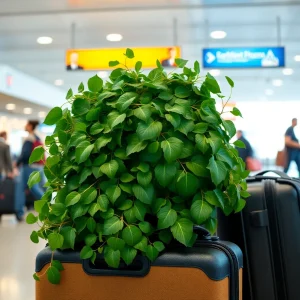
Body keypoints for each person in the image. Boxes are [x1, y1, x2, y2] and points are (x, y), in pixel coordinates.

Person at [15, 120, 45, 221]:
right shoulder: (37, 138)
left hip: (28, 167)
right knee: (35, 188)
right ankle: (47, 204)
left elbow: (26, 154)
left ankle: (19, 212)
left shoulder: (29, 138)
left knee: (22, 189)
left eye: (27, 125)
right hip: (38, 167)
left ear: (30, 126)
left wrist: (17, 162)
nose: (25, 126)